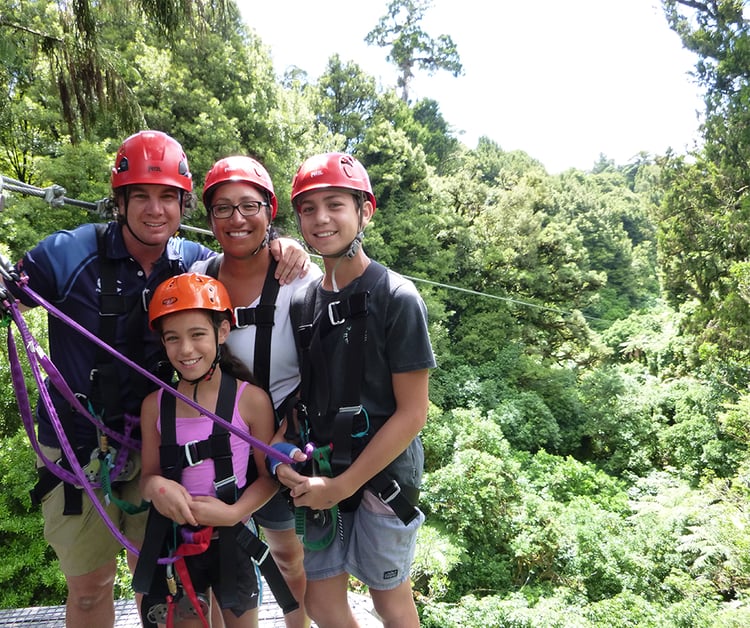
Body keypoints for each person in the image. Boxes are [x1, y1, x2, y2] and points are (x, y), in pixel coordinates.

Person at [1, 130, 308, 627]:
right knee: (88, 589)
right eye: (140, 195)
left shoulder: (190, 264)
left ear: (184, 205)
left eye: (168, 196)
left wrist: (284, 247)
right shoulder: (66, 255)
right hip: (81, 451)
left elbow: (243, 263)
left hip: (162, 450)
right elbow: (13, 287)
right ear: (118, 200)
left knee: (171, 587)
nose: (154, 210)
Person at [274, 152, 436, 628]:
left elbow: (412, 413)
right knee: (322, 603)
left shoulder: (397, 297)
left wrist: (342, 486)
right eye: (308, 208)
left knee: (389, 599)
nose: (321, 218)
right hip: (322, 465)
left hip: (381, 476)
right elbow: (305, 390)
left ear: (365, 211)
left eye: (335, 204)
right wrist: (287, 453)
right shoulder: (303, 300)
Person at [191, 155, 321, 628]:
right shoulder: (198, 273)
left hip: (277, 436)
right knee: (210, 554)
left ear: (270, 212)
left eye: (249, 205)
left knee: (286, 551)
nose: (236, 219)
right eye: (222, 208)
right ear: (209, 219)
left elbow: (322, 362)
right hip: (215, 436)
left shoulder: (299, 279)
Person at [138, 272, 278, 627]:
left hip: (233, 541)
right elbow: (149, 476)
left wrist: (235, 512)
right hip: (176, 544)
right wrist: (157, 487)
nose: (185, 350)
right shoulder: (156, 405)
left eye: (197, 334)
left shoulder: (251, 401)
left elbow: (269, 477)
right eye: (173, 339)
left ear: (222, 332)